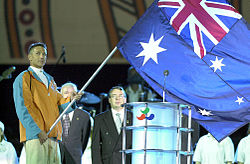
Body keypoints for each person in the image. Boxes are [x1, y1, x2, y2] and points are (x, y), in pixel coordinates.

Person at [13, 42, 82, 164]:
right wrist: (37, 130)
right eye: (38, 53)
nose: (41, 56)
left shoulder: (50, 79)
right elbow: (23, 107)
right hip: (37, 136)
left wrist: (71, 100)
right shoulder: (24, 77)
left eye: (44, 54)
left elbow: (59, 104)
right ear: (29, 57)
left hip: (53, 135)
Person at [91, 86, 132, 164]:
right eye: (114, 96)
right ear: (109, 100)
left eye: (120, 96)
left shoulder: (134, 118)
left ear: (125, 99)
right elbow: (95, 146)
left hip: (128, 160)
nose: (117, 99)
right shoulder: (100, 119)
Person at [59, 82, 91, 164]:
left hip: (74, 158)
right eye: (66, 93)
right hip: (56, 157)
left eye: (72, 93)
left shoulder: (84, 116)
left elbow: (84, 140)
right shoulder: (54, 114)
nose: (69, 96)